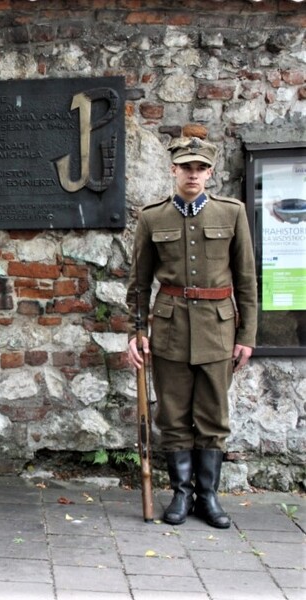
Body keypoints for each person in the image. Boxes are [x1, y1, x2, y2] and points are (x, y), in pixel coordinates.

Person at [127, 136, 257, 529]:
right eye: (187, 167)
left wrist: (246, 335)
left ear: (210, 172)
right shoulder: (153, 217)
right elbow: (139, 282)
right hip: (168, 330)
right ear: (174, 170)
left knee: (214, 417)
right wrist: (136, 332)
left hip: (218, 330)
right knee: (173, 416)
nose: (193, 174)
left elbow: (246, 279)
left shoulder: (232, 213)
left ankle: (209, 497)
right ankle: (181, 495)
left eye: (201, 168)